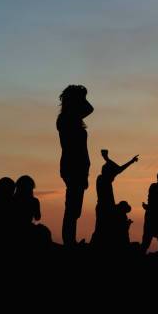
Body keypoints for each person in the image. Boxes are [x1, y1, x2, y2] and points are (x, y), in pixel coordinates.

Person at [57, 85, 93, 246]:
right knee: (72, 206)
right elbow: (89, 108)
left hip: (76, 167)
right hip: (73, 167)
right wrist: (82, 97)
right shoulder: (66, 119)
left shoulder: (71, 118)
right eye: (80, 98)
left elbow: (88, 109)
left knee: (74, 207)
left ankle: (70, 239)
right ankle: (69, 241)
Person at [91, 149, 138, 248]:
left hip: (105, 209)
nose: (114, 177)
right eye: (113, 175)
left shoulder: (102, 179)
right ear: (109, 173)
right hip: (105, 210)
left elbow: (118, 169)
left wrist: (131, 161)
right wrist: (107, 159)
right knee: (101, 232)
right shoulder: (103, 180)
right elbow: (119, 170)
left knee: (101, 232)